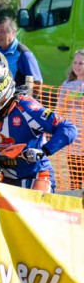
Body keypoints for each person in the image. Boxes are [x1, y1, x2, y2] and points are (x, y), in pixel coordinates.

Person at [0, 62, 77, 192]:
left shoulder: (27, 108)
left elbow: (68, 128)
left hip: (36, 176)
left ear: (2, 88)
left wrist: (44, 151)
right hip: (6, 176)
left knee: (33, 210)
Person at [0, 15, 44, 91]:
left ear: (13, 33)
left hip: (17, 101)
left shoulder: (24, 54)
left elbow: (37, 83)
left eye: (2, 31)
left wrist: (25, 101)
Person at [58, 50, 84, 190]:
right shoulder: (67, 84)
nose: (77, 66)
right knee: (75, 179)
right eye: (75, 62)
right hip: (74, 140)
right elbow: (60, 108)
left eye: (81, 63)